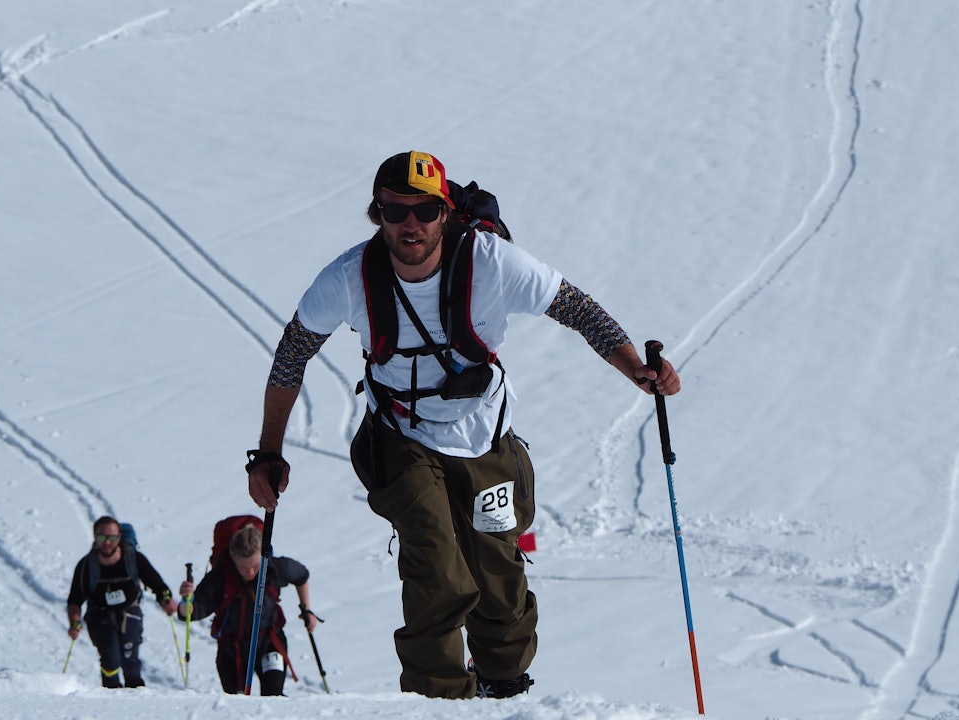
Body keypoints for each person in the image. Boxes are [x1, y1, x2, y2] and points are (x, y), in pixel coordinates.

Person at [244, 150, 680, 700]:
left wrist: (635, 368)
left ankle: (505, 688)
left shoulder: (491, 263)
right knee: (434, 562)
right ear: (376, 215)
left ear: (445, 212)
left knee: (497, 572)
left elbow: (574, 307)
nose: (410, 224)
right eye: (393, 210)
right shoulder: (349, 279)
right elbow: (291, 356)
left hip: (483, 435)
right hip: (400, 436)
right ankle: (440, 699)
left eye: (424, 209)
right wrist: (267, 454)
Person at [176, 522, 316, 695]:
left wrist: (307, 609)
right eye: (243, 567)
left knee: (274, 696)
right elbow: (191, 613)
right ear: (233, 558)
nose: (250, 572)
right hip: (232, 649)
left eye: (255, 566)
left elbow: (301, 576)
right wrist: (185, 600)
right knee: (236, 702)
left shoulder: (275, 568)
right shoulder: (220, 577)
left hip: (269, 642)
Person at [65, 516, 179, 688]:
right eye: (102, 537)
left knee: (129, 656)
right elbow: (75, 599)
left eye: (112, 538)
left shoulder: (133, 558)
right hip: (99, 614)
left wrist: (166, 600)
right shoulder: (86, 565)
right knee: (110, 656)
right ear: (95, 537)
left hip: (129, 611)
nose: (107, 543)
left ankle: (136, 694)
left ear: (119, 537)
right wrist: (74, 622)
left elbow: (157, 583)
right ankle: (111, 692)